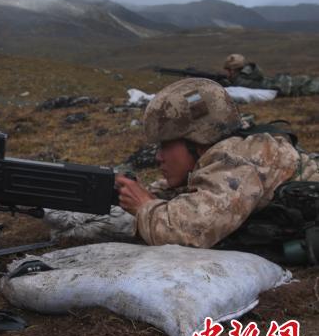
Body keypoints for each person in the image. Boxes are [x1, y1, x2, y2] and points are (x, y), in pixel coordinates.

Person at [115, 77, 319, 249]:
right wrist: (143, 195)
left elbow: (189, 232)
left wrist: (144, 206)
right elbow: (195, 189)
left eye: (166, 145)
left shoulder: (238, 161)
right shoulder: (223, 154)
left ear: (197, 141)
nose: (158, 157)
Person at [223, 53, 319, 96]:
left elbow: (236, 85)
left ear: (232, 70)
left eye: (228, 70)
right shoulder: (249, 73)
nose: (226, 72)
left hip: (293, 87)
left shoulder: (242, 81)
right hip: (289, 83)